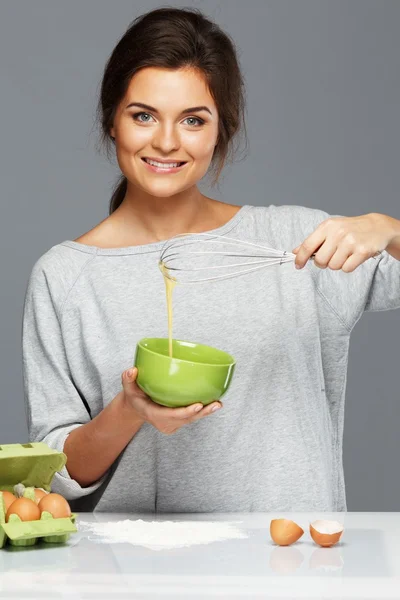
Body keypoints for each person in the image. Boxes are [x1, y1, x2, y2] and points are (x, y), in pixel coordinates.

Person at [22, 7, 400, 513]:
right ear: (111, 120)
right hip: (134, 577)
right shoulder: (64, 277)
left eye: (193, 120)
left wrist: (388, 229)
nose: (166, 142)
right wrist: (129, 410)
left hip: (290, 569)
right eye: (143, 115)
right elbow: (55, 473)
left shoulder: (296, 243)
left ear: (221, 130)